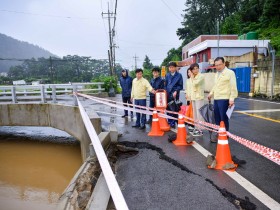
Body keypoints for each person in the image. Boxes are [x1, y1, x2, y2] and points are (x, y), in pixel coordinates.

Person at [207, 57, 238, 142]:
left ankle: (225, 135)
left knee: (223, 118)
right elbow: (215, 86)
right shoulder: (217, 74)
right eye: (216, 65)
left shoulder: (230, 73)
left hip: (224, 99)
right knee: (217, 118)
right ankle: (219, 133)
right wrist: (210, 94)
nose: (218, 67)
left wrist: (231, 99)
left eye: (219, 64)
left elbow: (233, 87)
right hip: (216, 98)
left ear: (224, 63)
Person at [186, 63, 205, 136]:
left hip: (199, 97)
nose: (195, 70)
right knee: (195, 114)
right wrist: (189, 97)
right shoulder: (192, 77)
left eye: (197, 68)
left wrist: (192, 77)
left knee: (199, 114)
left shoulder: (201, 76)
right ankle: (197, 128)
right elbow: (190, 88)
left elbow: (195, 84)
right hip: (193, 97)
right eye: (193, 69)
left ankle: (200, 130)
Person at [165, 62, 183, 128]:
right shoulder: (167, 75)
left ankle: (177, 122)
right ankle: (170, 123)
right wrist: (165, 92)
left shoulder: (179, 75)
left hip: (175, 95)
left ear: (175, 68)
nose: (171, 68)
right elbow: (165, 85)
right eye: (170, 67)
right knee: (168, 109)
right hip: (168, 95)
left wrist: (176, 91)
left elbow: (180, 86)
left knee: (175, 109)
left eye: (172, 67)